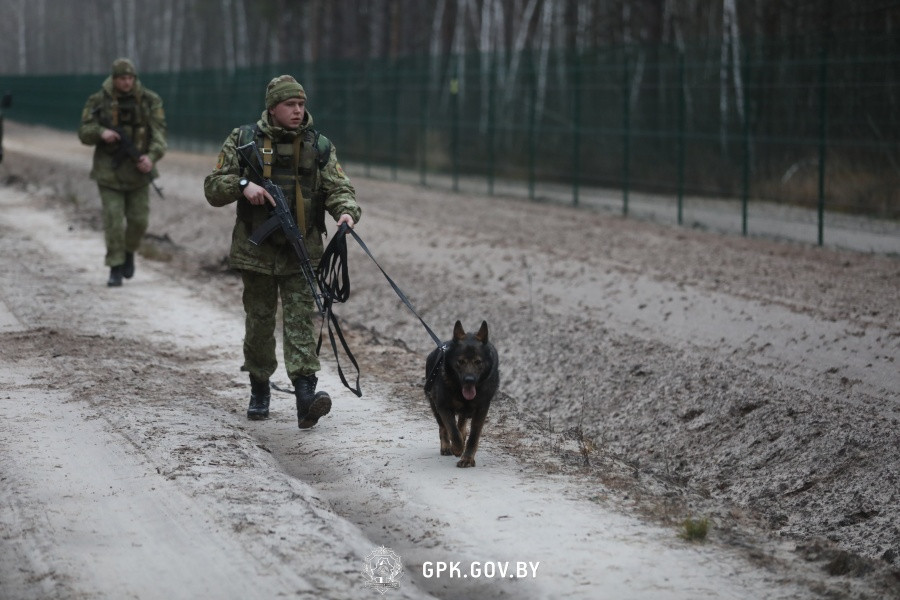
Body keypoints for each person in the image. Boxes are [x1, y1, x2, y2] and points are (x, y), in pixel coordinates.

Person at [204, 75, 360, 429]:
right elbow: (213, 188)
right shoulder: (243, 140)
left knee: (300, 322)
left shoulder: (318, 145)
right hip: (255, 251)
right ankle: (259, 387)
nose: (297, 110)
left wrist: (346, 211)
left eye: (301, 104)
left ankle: (306, 395)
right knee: (258, 324)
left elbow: (339, 186)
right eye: (290, 105)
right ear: (272, 107)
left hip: (301, 250)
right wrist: (244, 185)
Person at [78, 58, 167, 287]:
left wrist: (151, 157)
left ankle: (129, 252)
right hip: (108, 172)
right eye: (121, 78)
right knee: (114, 221)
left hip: (139, 171)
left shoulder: (150, 100)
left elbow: (159, 135)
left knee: (139, 221)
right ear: (114, 79)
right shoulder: (98, 100)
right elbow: (83, 132)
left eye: (130, 78)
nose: (126, 83)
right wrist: (101, 132)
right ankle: (115, 267)